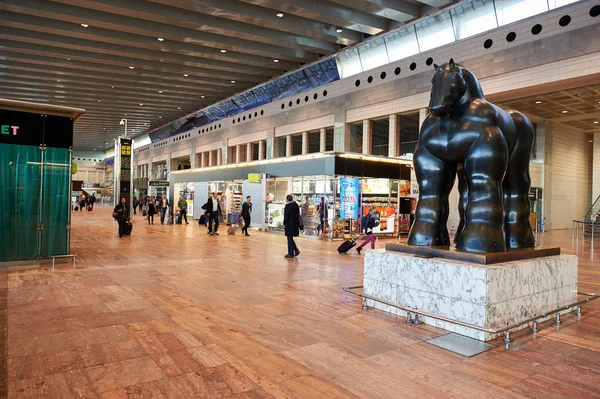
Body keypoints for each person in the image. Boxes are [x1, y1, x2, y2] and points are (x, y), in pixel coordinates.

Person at [283, 194, 301, 259]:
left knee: (289, 238)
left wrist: (284, 223)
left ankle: (290, 253)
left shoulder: (287, 206)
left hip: (289, 225)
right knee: (290, 238)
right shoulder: (296, 205)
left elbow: (286, 216)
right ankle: (296, 250)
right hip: (295, 224)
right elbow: (298, 215)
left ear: (287, 199)